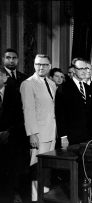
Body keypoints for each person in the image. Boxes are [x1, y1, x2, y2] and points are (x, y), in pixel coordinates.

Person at [20, 54, 57, 202]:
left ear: (49, 66)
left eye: (44, 65)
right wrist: (32, 134)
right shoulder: (28, 84)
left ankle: (44, 196)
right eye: (38, 64)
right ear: (34, 65)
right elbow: (28, 110)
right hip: (39, 134)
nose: (41, 67)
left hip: (51, 132)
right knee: (36, 168)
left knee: (47, 168)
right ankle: (36, 199)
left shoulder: (51, 83)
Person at [0, 68, 29, 203]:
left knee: (10, 175)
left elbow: (20, 118)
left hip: (11, 140)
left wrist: (9, 132)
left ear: (5, 77)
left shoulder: (14, 94)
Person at [55, 58, 92, 147]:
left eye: (85, 68)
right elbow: (60, 114)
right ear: (73, 70)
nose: (84, 71)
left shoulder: (88, 88)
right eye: (80, 69)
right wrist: (63, 137)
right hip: (70, 137)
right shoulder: (63, 88)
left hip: (87, 136)